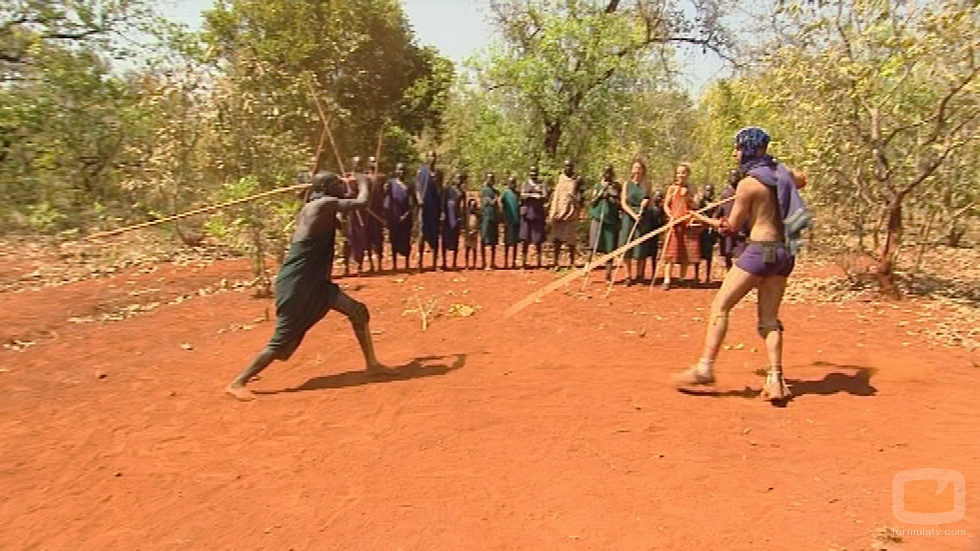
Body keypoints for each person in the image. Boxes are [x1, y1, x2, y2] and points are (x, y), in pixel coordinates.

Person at [226, 171, 395, 401]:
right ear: (326, 187)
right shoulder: (324, 204)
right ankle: (239, 381)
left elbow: (343, 226)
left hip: (316, 283)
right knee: (282, 341)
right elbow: (362, 202)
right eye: (337, 182)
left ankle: (372, 364)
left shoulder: (318, 206)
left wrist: (351, 187)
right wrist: (364, 181)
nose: (341, 184)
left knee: (358, 312)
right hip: (298, 283)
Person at [673, 126, 803, 404]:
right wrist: (780, 169)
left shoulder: (748, 184)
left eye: (738, 148)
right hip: (782, 253)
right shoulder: (781, 174)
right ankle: (776, 379)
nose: (735, 153)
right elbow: (801, 179)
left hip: (761, 250)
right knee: (769, 319)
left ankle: (705, 367)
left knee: (720, 305)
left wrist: (702, 219)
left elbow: (731, 226)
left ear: (749, 149)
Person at [661, 162, 698, 289]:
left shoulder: (692, 189)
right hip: (674, 223)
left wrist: (689, 198)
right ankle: (667, 280)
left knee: (685, 252)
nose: (681, 175)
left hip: (686, 223)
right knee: (671, 253)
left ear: (688, 174)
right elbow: (666, 205)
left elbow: (696, 206)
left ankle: (682, 278)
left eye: (683, 172)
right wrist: (670, 215)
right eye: (678, 173)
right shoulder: (672, 188)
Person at [618, 157, 655, 285]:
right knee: (627, 244)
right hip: (629, 217)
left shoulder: (647, 184)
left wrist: (646, 202)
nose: (637, 171)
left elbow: (650, 199)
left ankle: (640, 275)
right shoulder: (627, 184)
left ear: (643, 170)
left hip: (643, 217)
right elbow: (623, 202)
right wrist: (633, 214)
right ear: (631, 170)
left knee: (641, 246)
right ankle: (628, 275)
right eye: (635, 168)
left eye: (639, 168)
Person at [587, 165, 621, 280]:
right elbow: (592, 202)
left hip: (610, 221)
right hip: (597, 218)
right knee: (592, 245)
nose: (608, 175)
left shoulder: (616, 186)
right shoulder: (597, 186)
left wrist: (611, 197)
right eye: (606, 172)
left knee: (609, 247)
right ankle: (587, 268)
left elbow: (618, 203)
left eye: (610, 173)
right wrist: (600, 195)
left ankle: (608, 274)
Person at [548, 159, 582, 269]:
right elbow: (556, 197)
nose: (568, 168)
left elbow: (580, 197)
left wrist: (574, 199)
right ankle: (556, 262)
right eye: (566, 166)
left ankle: (572, 262)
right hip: (559, 213)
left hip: (571, 214)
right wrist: (554, 213)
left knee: (571, 240)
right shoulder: (560, 181)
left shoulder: (576, 180)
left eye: (570, 166)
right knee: (557, 239)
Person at [384, 162, 415, 271]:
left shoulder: (409, 184)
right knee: (394, 240)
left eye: (402, 169)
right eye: (399, 169)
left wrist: (406, 215)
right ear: (395, 171)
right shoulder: (391, 183)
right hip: (394, 217)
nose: (400, 172)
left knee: (406, 240)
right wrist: (386, 189)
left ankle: (406, 264)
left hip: (405, 217)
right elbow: (387, 198)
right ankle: (395, 265)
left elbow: (412, 202)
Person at [343, 156, 370, 276]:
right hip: (348, 213)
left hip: (360, 213)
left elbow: (366, 194)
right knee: (347, 240)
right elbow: (340, 195)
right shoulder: (347, 178)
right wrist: (347, 194)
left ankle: (359, 265)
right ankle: (346, 266)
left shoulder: (364, 179)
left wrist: (357, 198)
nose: (357, 165)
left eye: (359, 163)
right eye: (355, 163)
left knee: (360, 239)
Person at [416, 150, 441, 271]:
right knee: (422, 234)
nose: (432, 158)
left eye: (434, 156)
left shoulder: (438, 173)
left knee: (435, 234)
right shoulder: (421, 171)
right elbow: (416, 188)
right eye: (430, 156)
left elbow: (439, 191)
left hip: (434, 207)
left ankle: (435, 263)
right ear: (427, 158)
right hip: (424, 207)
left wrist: (441, 210)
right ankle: (419, 262)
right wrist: (419, 199)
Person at [519, 165, 547, 269]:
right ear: (529, 173)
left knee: (538, 240)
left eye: (535, 172)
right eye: (532, 172)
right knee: (525, 239)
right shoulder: (525, 184)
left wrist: (537, 195)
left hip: (538, 215)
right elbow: (522, 195)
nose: (533, 174)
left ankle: (539, 262)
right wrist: (533, 195)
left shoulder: (542, 184)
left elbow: (545, 196)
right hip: (527, 215)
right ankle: (523, 262)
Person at [716, 170, 744, 271]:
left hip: (741, 226)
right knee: (727, 251)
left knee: (741, 252)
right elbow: (720, 208)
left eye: (736, 175)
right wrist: (716, 220)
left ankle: (739, 272)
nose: (734, 178)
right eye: (732, 175)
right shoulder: (726, 193)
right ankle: (729, 269)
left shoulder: (743, 192)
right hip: (727, 226)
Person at [365, 156, 386, 272]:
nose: (374, 164)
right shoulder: (365, 178)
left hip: (378, 212)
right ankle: (371, 264)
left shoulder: (381, 177)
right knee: (368, 238)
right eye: (372, 162)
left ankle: (379, 263)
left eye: (375, 162)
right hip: (367, 212)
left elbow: (384, 192)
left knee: (378, 238)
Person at [440, 171, 465, 270]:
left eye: (460, 179)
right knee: (444, 239)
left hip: (456, 217)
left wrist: (462, 217)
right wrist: (442, 213)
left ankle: (454, 262)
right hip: (447, 217)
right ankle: (444, 262)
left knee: (455, 240)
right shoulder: (447, 189)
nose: (458, 180)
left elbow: (463, 206)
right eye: (457, 178)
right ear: (454, 179)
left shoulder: (462, 192)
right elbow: (443, 202)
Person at [695, 184, 718, 284]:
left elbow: (716, 215)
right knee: (697, 254)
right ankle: (696, 276)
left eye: (710, 191)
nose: (708, 193)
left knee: (709, 255)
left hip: (710, 232)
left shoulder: (715, 204)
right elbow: (697, 213)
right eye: (707, 190)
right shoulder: (701, 203)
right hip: (700, 231)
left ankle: (708, 276)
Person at [480, 172, 501, 269]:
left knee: (493, 241)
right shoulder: (485, 190)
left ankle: (492, 262)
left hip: (494, 217)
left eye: (492, 178)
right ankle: (484, 263)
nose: (490, 180)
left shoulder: (494, 190)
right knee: (484, 239)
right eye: (489, 178)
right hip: (486, 217)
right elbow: (490, 202)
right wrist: (496, 198)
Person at [501, 176, 521, 269]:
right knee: (507, 243)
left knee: (515, 243)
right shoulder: (505, 193)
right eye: (510, 182)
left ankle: (513, 261)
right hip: (508, 221)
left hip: (516, 220)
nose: (512, 184)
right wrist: (503, 219)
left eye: (513, 182)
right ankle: (506, 261)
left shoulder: (517, 193)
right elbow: (502, 206)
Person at [463, 197, 481, 269]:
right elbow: (464, 224)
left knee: (474, 250)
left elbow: (478, 224)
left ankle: (474, 264)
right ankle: (467, 264)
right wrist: (466, 232)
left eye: (474, 205)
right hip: (467, 233)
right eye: (471, 205)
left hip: (474, 234)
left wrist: (475, 231)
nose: (472, 207)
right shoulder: (466, 215)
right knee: (467, 250)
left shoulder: (477, 215)